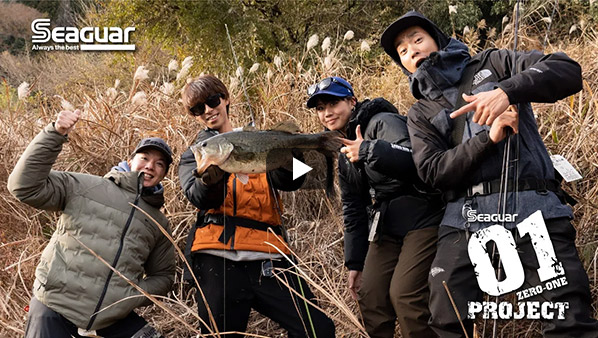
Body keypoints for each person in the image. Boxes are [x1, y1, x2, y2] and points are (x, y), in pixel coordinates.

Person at [381, 10, 598, 338]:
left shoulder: (494, 63)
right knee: (447, 321)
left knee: (568, 320)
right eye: (402, 50)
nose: (411, 49)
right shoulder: (420, 112)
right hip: (463, 223)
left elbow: (567, 70)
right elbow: (432, 172)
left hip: (532, 209)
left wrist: (507, 91)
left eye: (417, 39)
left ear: (437, 40)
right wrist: (489, 138)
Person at [178, 74, 335, 337]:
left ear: (226, 99)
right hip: (217, 257)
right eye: (197, 109)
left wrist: (289, 159)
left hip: (270, 255)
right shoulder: (197, 152)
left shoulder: (260, 137)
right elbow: (198, 197)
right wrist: (212, 182)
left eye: (213, 100)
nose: (207, 110)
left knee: (318, 330)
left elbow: (295, 180)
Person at [8, 109, 176, 338]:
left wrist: (130, 295)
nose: (150, 166)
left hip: (111, 316)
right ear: (130, 160)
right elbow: (23, 187)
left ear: (164, 174)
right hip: (55, 307)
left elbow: (164, 276)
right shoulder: (84, 187)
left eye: (159, 164)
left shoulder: (158, 222)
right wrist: (55, 133)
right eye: (144, 158)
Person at [306, 76, 444, 337]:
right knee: (370, 295)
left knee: (404, 295)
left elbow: (419, 163)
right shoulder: (344, 151)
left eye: (333, 103)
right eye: (320, 108)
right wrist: (355, 263)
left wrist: (369, 149)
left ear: (351, 101)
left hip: (424, 216)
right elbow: (353, 208)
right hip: (387, 226)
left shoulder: (382, 122)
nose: (327, 113)